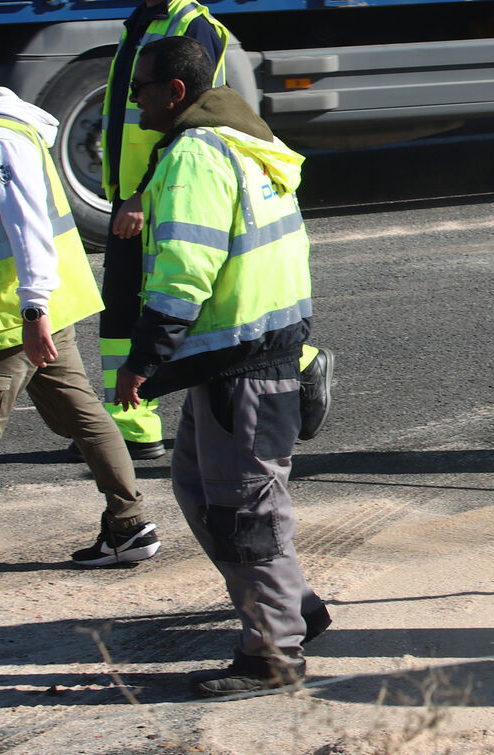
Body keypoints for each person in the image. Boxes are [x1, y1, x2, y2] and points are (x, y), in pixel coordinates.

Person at [0, 23, 160, 590]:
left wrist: (31, 311)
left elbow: (28, 229)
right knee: (86, 420)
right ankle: (129, 526)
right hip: (30, 310)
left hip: (14, 319)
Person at [115, 36, 330, 696]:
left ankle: (274, 652)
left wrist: (142, 361)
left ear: (175, 92)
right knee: (197, 486)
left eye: (141, 86)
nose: (133, 98)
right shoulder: (243, 139)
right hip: (255, 356)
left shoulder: (195, 155)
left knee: (245, 511)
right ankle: (293, 607)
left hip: (244, 366)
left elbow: (184, 276)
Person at [83, 0, 333, 463]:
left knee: (175, 296)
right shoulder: (140, 20)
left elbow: (189, 110)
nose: (139, 95)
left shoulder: (192, 25)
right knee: (122, 306)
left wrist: (141, 192)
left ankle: (297, 362)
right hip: (139, 187)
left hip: (162, 187)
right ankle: (133, 424)